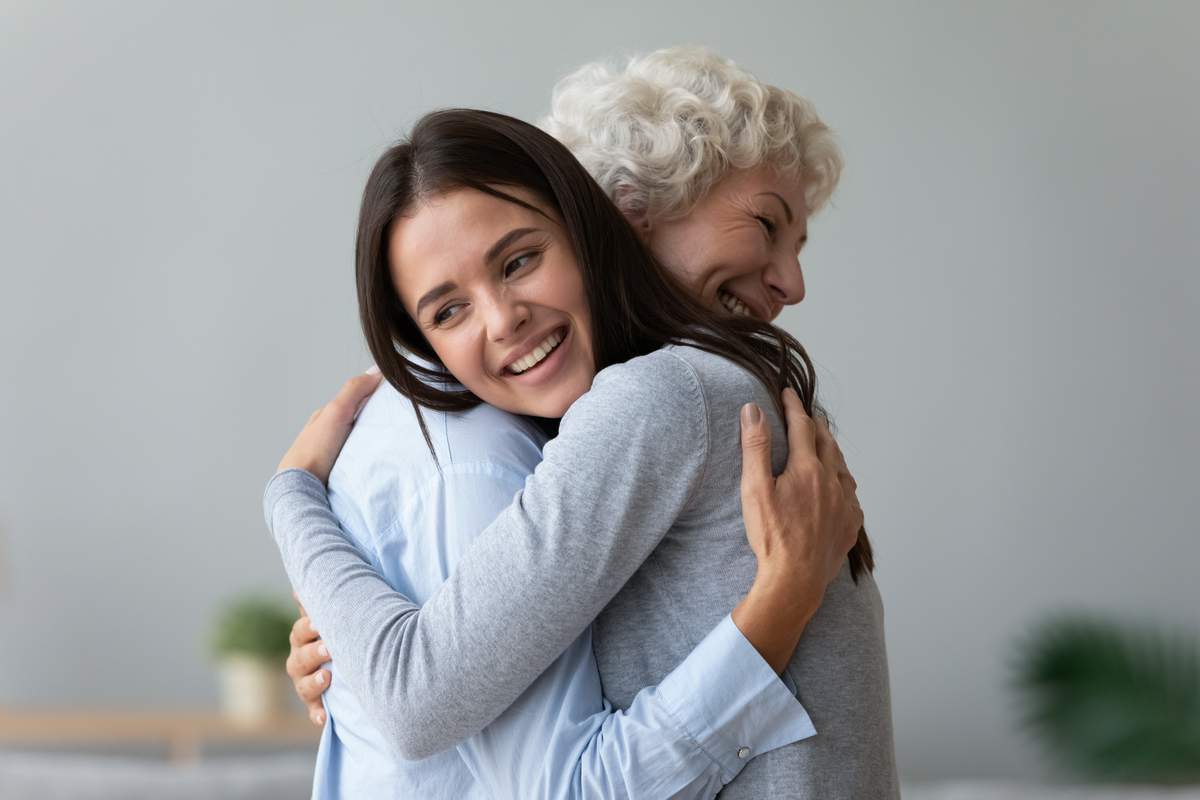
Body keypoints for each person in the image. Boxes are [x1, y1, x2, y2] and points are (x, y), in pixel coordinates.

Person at [270, 49, 897, 799]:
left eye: (520, 261)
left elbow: (416, 696)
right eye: (766, 225)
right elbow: (427, 683)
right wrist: (345, 654)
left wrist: (290, 498)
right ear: (631, 206)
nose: (792, 283)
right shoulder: (694, 393)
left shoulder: (666, 397)